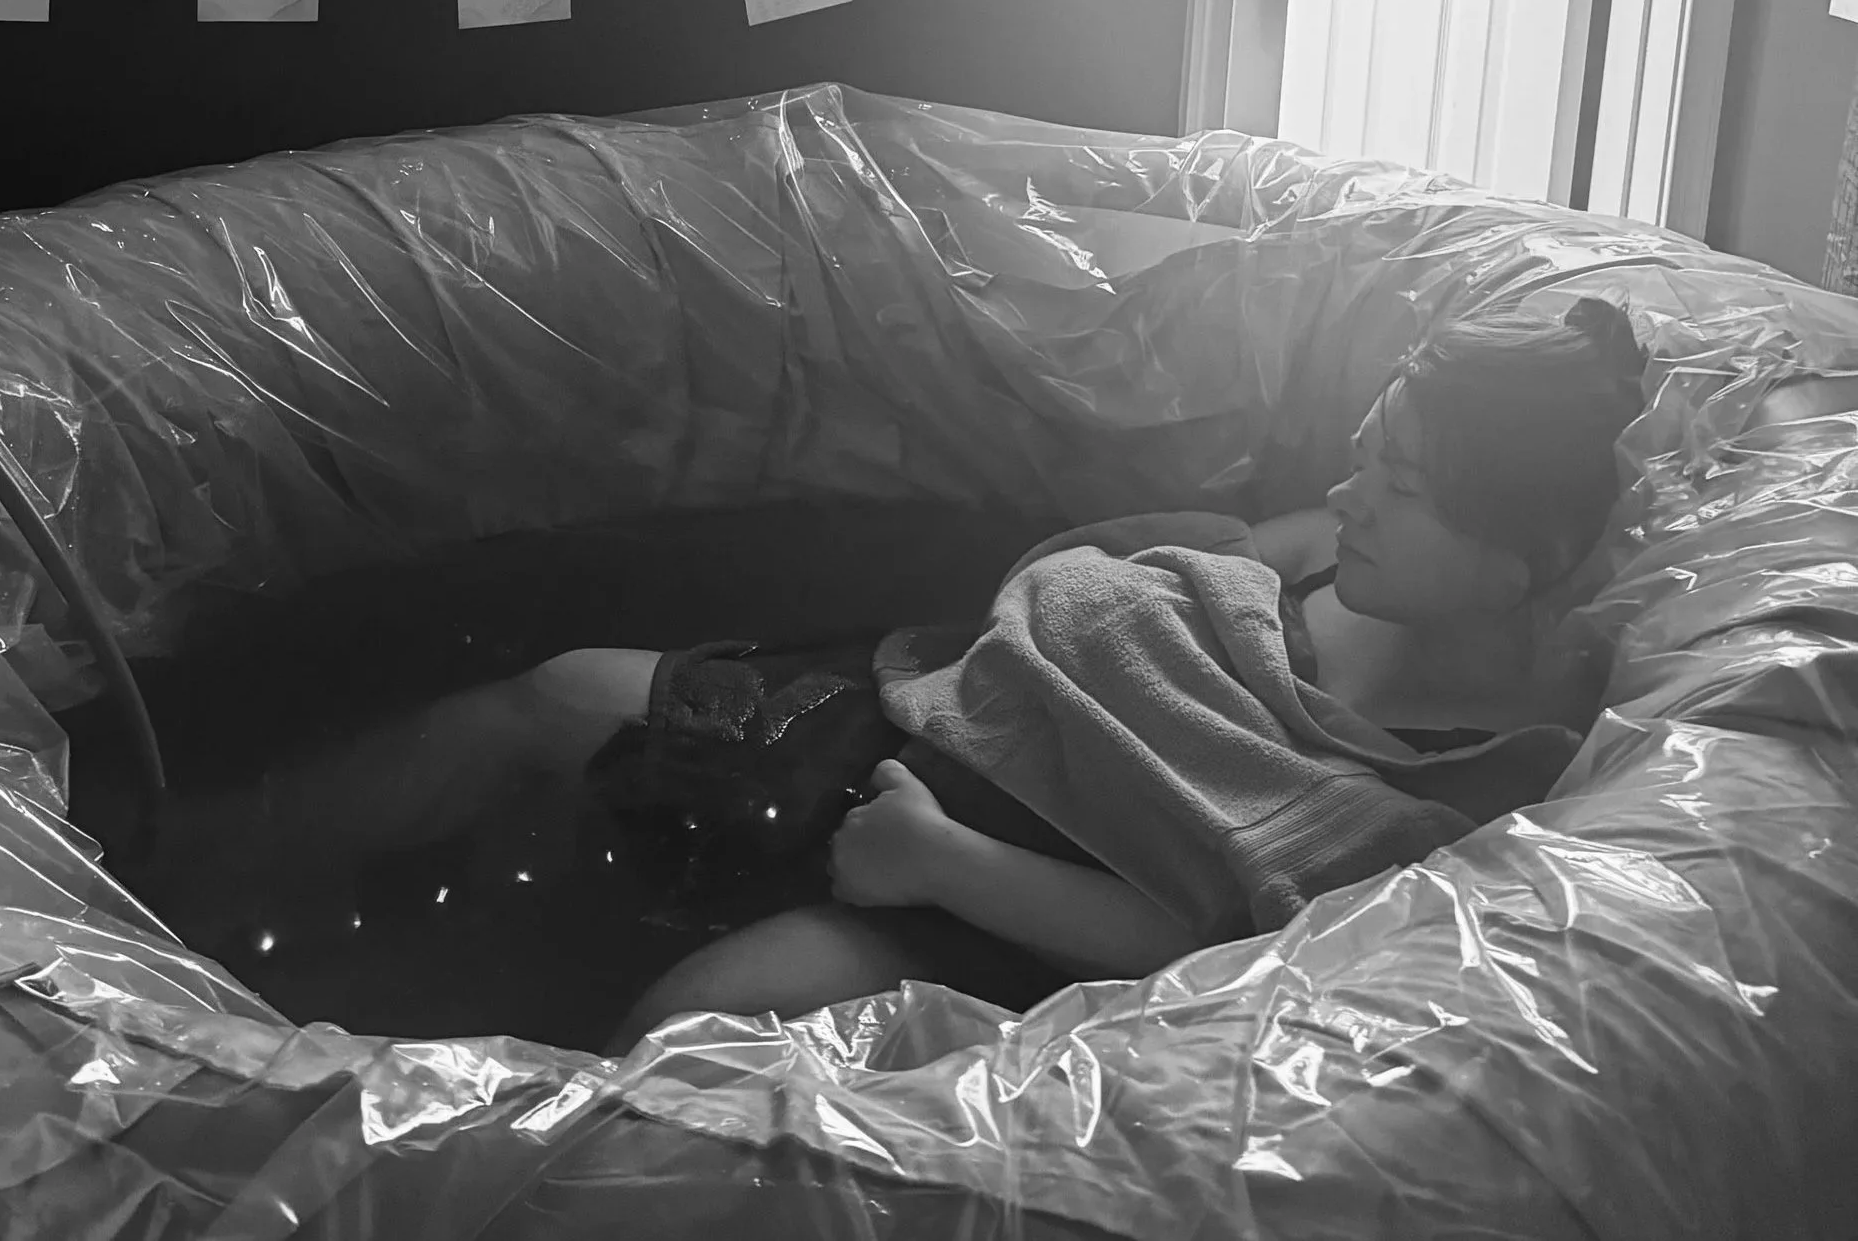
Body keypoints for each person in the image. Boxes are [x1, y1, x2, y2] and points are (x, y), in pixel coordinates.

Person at [156, 297, 1649, 1055]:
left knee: (691, 1030)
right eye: (1370, 454)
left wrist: (940, 864)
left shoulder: (1461, 785)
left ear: (1519, 562)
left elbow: (1201, 937)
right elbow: (1175, 579)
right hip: (915, 709)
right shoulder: (1343, 548)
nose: (1351, 492)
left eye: (1402, 487)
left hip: (976, 898)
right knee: (547, 694)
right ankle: (178, 878)